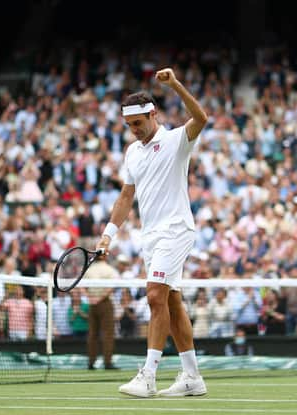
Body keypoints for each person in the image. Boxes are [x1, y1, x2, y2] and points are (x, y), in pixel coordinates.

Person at [96, 68, 208, 398]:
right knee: (171, 303)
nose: (133, 131)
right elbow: (126, 195)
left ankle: (148, 375)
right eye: (129, 126)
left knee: (155, 295)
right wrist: (108, 234)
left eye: (138, 124)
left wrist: (174, 84)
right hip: (151, 237)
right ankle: (192, 377)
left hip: (177, 230)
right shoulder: (132, 153)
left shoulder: (176, 140)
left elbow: (200, 117)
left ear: (152, 114)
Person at [84, 255, 119, 370]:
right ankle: (107, 363)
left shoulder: (88, 270)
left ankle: (91, 363)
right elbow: (112, 287)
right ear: (104, 257)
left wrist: (90, 298)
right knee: (108, 334)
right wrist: (100, 298)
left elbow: (82, 287)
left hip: (92, 303)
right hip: (105, 303)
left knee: (92, 334)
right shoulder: (110, 270)